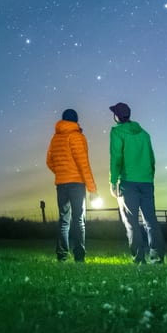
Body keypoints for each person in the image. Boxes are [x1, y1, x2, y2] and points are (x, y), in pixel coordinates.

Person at [109, 102, 166, 264]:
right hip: (146, 181)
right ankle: (157, 258)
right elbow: (152, 159)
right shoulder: (144, 134)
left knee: (131, 222)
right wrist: (149, 177)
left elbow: (116, 158)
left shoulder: (117, 132)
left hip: (128, 182)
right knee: (151, 221)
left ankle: (139, 259)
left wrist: (113, 181)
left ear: (117, 116)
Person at [46, 108, 98, 262]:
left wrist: (61, 172)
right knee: (79, 220)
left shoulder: (55, 138)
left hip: (61, 184)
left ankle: (62, 256)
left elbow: (49, 161)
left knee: (64, 220)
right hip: (76, 184)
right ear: (76, 120)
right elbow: (83, 164)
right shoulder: (77, 136)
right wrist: (92, 188)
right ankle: (79, 257)